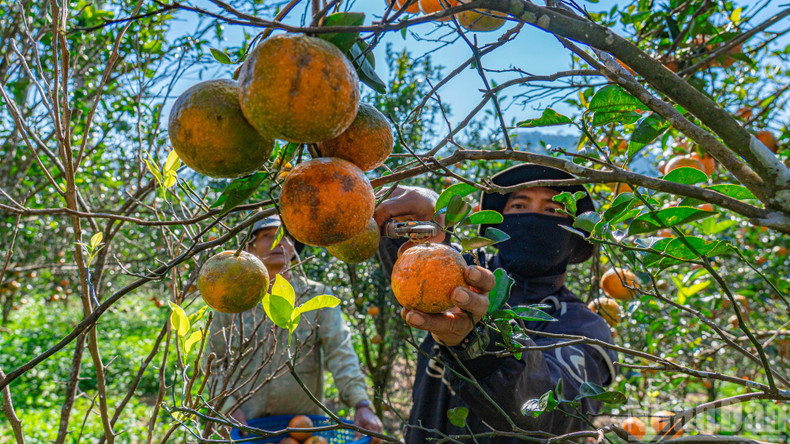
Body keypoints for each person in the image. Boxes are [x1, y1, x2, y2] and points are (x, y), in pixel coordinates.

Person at [374, 164, 618, 442]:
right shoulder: (455, 272)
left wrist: (482, 344)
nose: (534, 218)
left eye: (553, 210)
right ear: (497, 222)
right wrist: (416, 217)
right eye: (520, 205)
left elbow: (555, 415)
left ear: (575, 235)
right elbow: (409, 256)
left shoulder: (586, 327)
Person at [206, 215, 382, 441]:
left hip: (305, 429)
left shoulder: (317, 298)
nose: (277, 242)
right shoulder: (232, 300)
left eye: (284, 236)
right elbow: (215, 362)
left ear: (293, 246)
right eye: (266, 236)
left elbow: (341, 352)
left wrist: (361, 403)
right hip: (244, 427)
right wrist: (228, 408)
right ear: (249, 248)